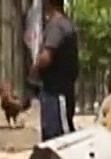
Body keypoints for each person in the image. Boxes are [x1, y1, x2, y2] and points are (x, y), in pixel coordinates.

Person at [30, 0, 79, 142]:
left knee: (60, 139)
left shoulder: (56, 26)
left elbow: (46, 57)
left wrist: (35, 67)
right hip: (60, 91)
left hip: (56, 94)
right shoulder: (65, 24)